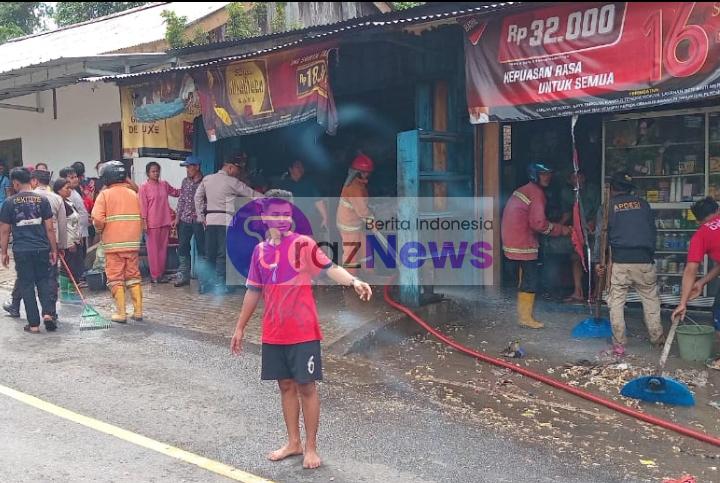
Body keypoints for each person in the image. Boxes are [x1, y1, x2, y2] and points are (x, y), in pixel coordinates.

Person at [230, 189, 373, 470]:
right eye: (276, 214)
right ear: (264, 216)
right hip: (274, 331)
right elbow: (252, 291)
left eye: (286, 214)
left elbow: (330, 267)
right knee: (285, 386)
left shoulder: (303, 245)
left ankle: (310, 447)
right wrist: (239, 328)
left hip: (304, 330)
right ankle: (293, 442)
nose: (282, 219)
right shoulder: (259, 251)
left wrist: (353, 281)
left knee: (306, 386)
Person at [596, 172, 663, 357]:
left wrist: (598, 262)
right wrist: (650, 255)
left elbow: (600, 237)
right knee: (650, 300)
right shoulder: (644, 204)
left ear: (612, 189)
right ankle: (657, 339)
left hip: (620, 261)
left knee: (616, 301)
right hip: (644, 260)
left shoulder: (608, 206)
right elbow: (652, 231)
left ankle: (619, 343)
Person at [501, 163, 572, 329]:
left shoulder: (525, 189)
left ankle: (523, 315)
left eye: (549, 173)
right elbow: (539, 223)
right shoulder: (536, 193)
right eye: (543, 174)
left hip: (514, 239)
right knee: (530, 279)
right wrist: (562, 229)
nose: (547, 177)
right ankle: (525, 318)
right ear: (535, 175)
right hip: (523, 242)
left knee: (524, 277)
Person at [3, 170, 67, 320]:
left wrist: (4, 252)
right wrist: (53, 249)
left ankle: (33, 324)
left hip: (21, 250)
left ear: (16, 183)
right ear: (31, 181)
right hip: (41, 248)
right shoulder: (42, 200)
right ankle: (48, 313)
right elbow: (50, 228)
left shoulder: (9, 202)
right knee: (43, 280)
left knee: (26, 284)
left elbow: (5, 230)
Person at [194, 153, 263, 295]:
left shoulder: (207, 179)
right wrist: (271, 198)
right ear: (230, 168)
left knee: (209, 253)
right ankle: (220, 284)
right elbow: (251, 193)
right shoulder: (232, 182)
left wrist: (201, 217)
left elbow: (197, 197)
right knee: (222, 254)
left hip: (210, 221)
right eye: (237, 169)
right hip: (226, 221)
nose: (238, 173)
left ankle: (204, 284)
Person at [91, 161, 143, 323]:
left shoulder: (105, 195)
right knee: (133, 276)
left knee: (115, 278)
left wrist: (100, 230)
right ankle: (138, 311)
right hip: (132, 244)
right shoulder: (134, 194)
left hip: (113, 245)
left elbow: (98, 219)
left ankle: (121, 313)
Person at [672, 197, 720, 369]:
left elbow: (690, 270)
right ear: (716, 210)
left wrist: (682, 303)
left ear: (699, 220)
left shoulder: (701, 235)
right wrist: (702, 283)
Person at [560, 169, 600, 303]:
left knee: (596, 260)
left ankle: (597, 292)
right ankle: (578, 291)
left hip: (594, 228)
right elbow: (567, 213)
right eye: (573, 177)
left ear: (584, 177)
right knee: (576, 257)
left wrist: (593, 222)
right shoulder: (566, 193)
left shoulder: (593, 190)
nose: (577, 179)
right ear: (569, 180)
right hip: (577, 229)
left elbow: (599, 209)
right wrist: (557, 226)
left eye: (579, 176)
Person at [139, 162, 180, 284]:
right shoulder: (143, 187)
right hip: (151, 223)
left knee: (163, 249)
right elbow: (142, 206)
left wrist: (189, 187)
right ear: (148, 173)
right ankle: (155, 276)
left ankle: (160, 274)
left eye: (157, 171)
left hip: (164, 221)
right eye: (153, 171)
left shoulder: (164, 184)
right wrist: (144, 222)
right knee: (153, 251)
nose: (156, 173)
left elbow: (176, 192)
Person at [336, 153, 375, 274]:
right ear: (357, 172)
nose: (367, 175)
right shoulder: (354, 188)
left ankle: (369, 274)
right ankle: (349, 281)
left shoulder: (359, 184)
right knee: (351, 254)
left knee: (365, 248)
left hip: (355, 225)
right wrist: (372, 222)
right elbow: (362, 210)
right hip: (349, 226)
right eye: (365, 172)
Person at [173, 155, 205, 287]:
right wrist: (176, 218)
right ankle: (184, 276)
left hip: (199, 221)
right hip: (185, 220)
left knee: (203, 250)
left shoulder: (205, 182)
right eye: (186, 167)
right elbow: (181, 201)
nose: (187, 169)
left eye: (189, 166)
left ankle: (204, 279)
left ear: (197, 167)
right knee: (183, 248)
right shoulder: (185, 181)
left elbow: (208, 201)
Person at [276, 160, 328, 234]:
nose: (300, 169)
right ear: (291, 169)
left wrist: (325, 217)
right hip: (290, 222)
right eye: (297, 167)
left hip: (308, 220)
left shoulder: (309, 183)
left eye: (302, 167)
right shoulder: (284, 185)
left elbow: (318, 200)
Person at [54, 178, 84, 282]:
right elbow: (62, 225)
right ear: (58, 190)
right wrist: (69, 242)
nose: (69, 190)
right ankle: (68, 290)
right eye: (67, 188)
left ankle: (75, 286)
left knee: (76, 267)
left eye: (70, 188)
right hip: (68, 242)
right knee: (69, 268)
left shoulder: (69, 202)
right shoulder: (59, 204)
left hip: (76, 239)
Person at [59, 167, 90, 265]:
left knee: (82, 257)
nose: (75, 179)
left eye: (76, 177)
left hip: (82, 231)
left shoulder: (74, 192)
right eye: (71, 178)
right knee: (75, 261)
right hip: (75, 234)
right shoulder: (67, 195)